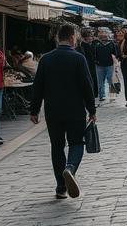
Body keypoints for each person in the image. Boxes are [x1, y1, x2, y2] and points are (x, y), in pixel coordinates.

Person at [30, 24, 97, 199]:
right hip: (75, 110)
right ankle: (70, 168)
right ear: (73, 38)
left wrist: (34, 109)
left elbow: (38, 87)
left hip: (53, 111)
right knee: (76, 143)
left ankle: (61, 187)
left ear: (58, 38)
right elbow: (86, 86)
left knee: (57, 147)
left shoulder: (46, 59)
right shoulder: (78, 58)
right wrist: (91, 109)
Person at [94, 29, 119, 103]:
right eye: (102, 35)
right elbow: (94, 54)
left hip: (109, 65)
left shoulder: (111, 44)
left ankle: (112, 96)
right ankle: (102, 96)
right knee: (100, 82)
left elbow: (115, 54)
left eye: (105, 35)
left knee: (110, 81)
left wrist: (115, 63)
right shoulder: (96, 44)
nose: (104, 36)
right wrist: (96, 61)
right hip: (99, 65)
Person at [77, 28, 99, 99]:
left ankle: (94, 93)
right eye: (89, 36)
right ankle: (91, 93)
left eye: (91, 36)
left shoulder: (92, 44)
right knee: (89, 79)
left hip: (92, 65)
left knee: (94, 79)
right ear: (85, 38)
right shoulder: (82, 46)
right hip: (87, 65)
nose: (91, 38)